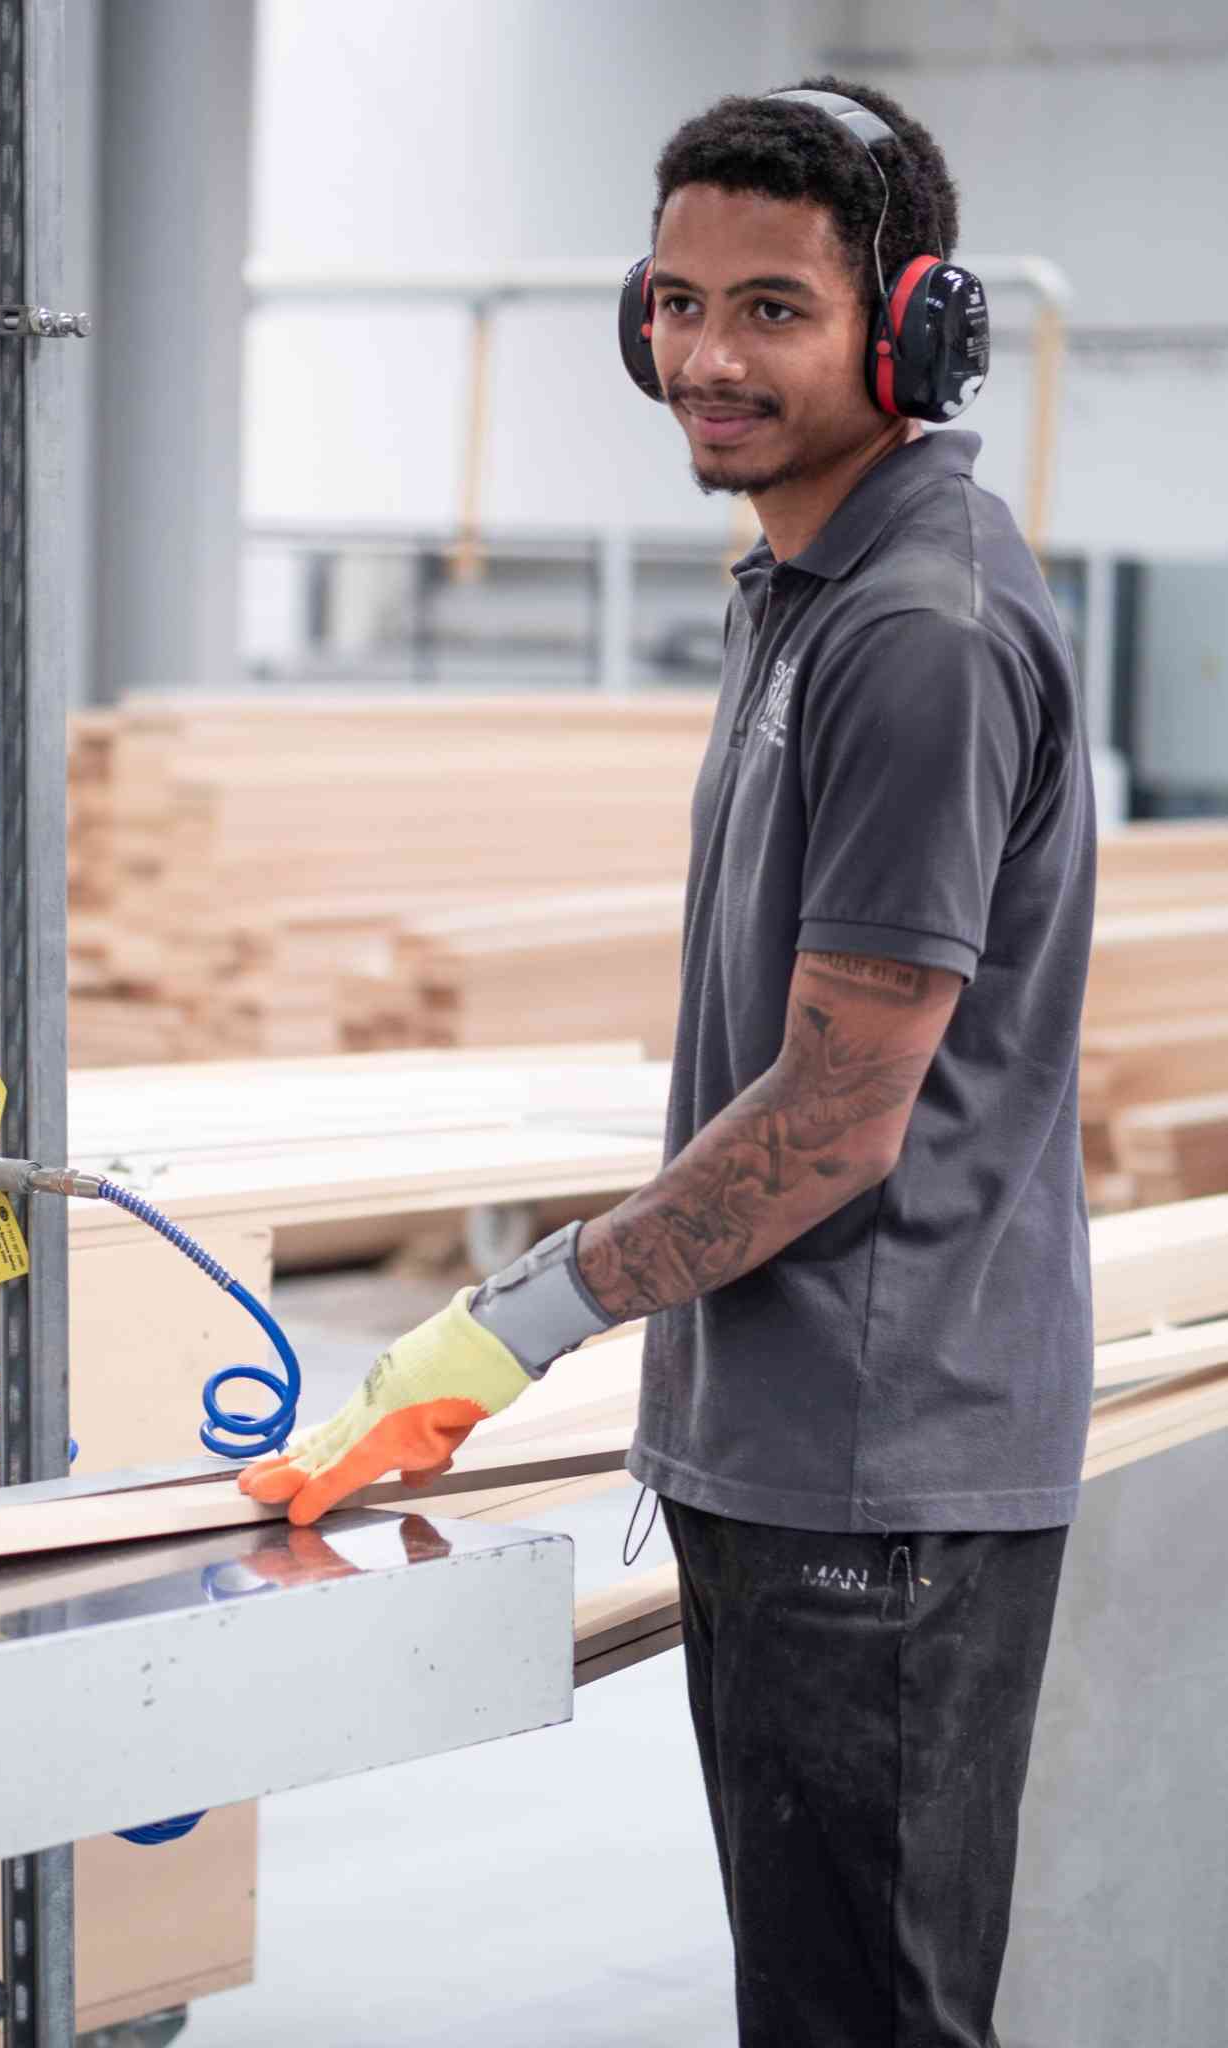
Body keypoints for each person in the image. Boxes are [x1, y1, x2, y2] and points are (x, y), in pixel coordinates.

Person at [242, 74, 1096, 2048]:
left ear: (910, 328)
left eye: (772, 309)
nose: (705, 358)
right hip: (795, 1445)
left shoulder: (918, 629)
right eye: (677, 302)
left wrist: (509, 1324)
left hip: (879, 1472)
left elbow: (836, 1116)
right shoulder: (808, 584)